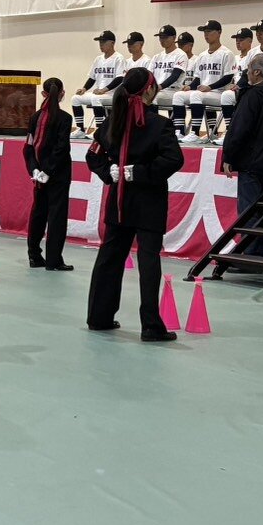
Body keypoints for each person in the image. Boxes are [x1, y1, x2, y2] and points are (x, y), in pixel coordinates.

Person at [85, 66, 184, 341]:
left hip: (120, 201)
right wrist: (138, 172)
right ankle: (150, 326)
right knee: (148, 261)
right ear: (149, 90)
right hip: (148, 202)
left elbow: (93, 156)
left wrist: (110, 172)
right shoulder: (159, 124)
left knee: (110, 257)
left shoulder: (112, 121)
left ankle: (99, 316)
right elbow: (174, 159)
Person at [220, 54, 263, 258]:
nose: (246, 73)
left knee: (248, 209)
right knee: (261, 208)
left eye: (248, 69)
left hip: (250, 159)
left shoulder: (252, 95)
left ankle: (252, 252)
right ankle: (261, 250)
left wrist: (228, 155)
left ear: (257, 72)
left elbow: (239, 129)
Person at [24, 77, 73, 270]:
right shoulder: (65, 118)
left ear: (44, 94)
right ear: (62, 94)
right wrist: (48, 171)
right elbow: (61, 149)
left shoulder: (35, 117)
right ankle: (54, 260)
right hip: (58, 174)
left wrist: (35, 169)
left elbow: (28, 147)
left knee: (38, 213)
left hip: (38, 175)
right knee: (56, 217)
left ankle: (34, 256)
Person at [174, 20, 236, 143]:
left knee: (196, 95)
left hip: (219, 92)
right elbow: (198, 78)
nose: (206, 34)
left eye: (209, 31)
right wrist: (189, 86)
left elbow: (228, 77)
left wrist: (210, 87)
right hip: (205, 92)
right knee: (178, 95)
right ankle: (179, 132)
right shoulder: (202, 55)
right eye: (205, 32)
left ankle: (195, 133)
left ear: (219, 32)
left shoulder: (227, 53)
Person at [72, 30, 124, 137]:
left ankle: (99, 130)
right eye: (100, 42)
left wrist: (104, 90)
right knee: (75, 98)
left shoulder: (119, 58)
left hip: (112, 94)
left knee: (96, 99)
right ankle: (80, 129)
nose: (101, 44)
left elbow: (120, 78)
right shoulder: (98, 59)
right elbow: (92, 78)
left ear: (112, 43)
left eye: (103, 42)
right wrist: (84, 89)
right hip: (99, 93)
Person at [219, 27, 257, 132]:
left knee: (227, 96)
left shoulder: (254, 56)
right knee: (226, 95)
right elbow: (231, 76)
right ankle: (229, 130)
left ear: (250, 41)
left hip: (248, 88)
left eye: (241, 40)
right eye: (237, 40)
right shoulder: (234, 58)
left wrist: (238, 86)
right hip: (234, 89)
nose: (238, 42)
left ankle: (231, 131)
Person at [151, 26, 190, 113]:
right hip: (158, 91)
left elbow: (175, 76)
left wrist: (159, 87)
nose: (162, 40)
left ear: (174, 37)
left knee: (152, 98)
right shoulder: (156, 57)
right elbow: (149, 75)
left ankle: (154, 121)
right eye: (160, 37)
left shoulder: (180, 55)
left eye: (165, 37)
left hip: (173, 91)